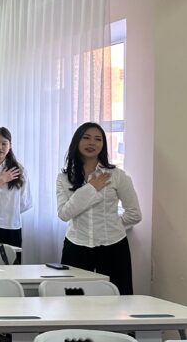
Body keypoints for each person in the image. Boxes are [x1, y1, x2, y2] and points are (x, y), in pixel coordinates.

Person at [57, 122, 141, 295]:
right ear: (77, 141)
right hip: (76, 245)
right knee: (74, 301)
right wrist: (91, 188)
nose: (92, 143)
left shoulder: (116, 175)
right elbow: (64, 214)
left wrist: (112, 225)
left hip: (114, 246)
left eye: (98, 139)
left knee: (119, 298)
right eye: (86, 138)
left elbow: (134, 214)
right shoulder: (64, 177)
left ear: (103, 145)